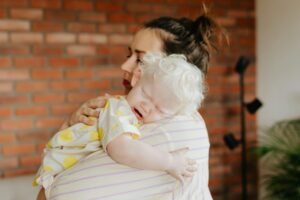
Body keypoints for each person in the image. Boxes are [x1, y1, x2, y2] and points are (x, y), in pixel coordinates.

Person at [37, 7, 226, 200]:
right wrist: (71, 124)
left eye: (141, 60)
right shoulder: (124, 110)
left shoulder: (179, 128)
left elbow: (55, 195)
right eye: (130, 56)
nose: (125, 66)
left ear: (173, 68)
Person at [34, 53, 203, 195]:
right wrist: (170, 162)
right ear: (137, 78)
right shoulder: (118, 109)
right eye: (146, 94)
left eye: (160, 110)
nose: (147, 107)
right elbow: (121, 149)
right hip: (57, 169)